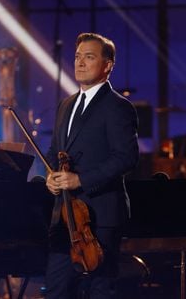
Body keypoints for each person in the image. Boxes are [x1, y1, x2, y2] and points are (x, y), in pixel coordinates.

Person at [45, 32, 139, 299]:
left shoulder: (118, 107)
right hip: (65, 217)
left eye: (89, 57)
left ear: (107, 65)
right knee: (56, 289)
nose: (80, 63)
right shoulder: (65, 105)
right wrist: (51, 176)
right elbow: (55, 151)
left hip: (100, 217)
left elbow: (126, 158)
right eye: (77, 57)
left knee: (100, 291)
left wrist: (80, 180)